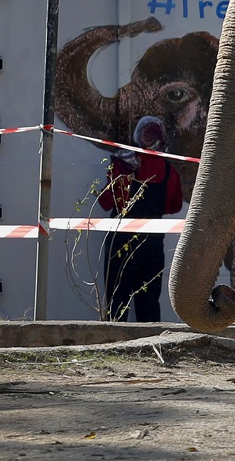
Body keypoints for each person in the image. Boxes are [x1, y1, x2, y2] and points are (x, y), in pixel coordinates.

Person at [97, 116, 181, 322]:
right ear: (161, 140)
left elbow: (106, 203)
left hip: (119, 245)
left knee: (116, 304)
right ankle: (150, 348)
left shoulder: (122, 164)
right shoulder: (169, 172)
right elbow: (174, 206)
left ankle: (113, 348)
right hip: (151, 247)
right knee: (149, 305)